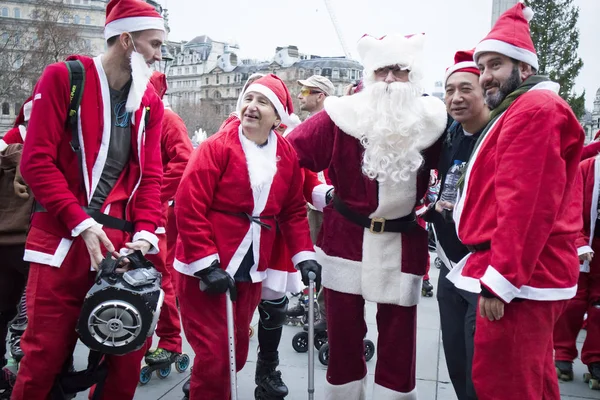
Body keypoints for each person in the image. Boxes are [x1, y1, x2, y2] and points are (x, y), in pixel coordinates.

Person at [11, 0, 166, 398]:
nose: (158, 55)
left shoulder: (149, 102)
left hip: (121, 250)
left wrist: (147, 232)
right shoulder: (64, 77)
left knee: (127, 354)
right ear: (128, 41)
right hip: (62, 242)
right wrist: (82, 223)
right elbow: (36, 162)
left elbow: (151, 177)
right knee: (43, 354)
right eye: (154, 44)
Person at [288, 33, 447, 398]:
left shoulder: (433, 121)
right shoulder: (341, 117)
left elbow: (463, 165)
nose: (389, 79)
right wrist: (315, 192)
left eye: (399, 70)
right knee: (342, 338)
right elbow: (287, 155)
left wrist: (440, 205)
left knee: (399, 341)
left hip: (403, 241)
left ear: (414, 76)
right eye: (382, 71)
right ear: (369, 75)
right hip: (345, 240)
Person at [445, 4, 584, 399]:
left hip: (519, 279)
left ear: (523, 68)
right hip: (522, 274)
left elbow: (526, 203)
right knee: (533, 381)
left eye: (495, 65)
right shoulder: (522, 109)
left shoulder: (534, 110)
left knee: (505, 385)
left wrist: (501, 281)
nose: (486, 76)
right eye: (483, 66)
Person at [174, 74, 319, 400]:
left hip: (250, 269)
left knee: (234, 353)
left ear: (278, 116)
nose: (252, 107)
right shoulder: (216, 147)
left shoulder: (286, 153)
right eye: (249, 99)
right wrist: (205, 264)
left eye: (262, 102)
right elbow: (188, 204)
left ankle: (203, 388)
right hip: (205, 271)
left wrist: (304, 256)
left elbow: (294, 210)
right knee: (215, 356)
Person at [421, 49, 490, 400]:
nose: (456, 98)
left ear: (485, 90)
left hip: (481, 273)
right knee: (458, 365)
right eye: (449, 90)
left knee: (482, 374)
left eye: (466, 88)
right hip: (448, 269)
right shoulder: (450, 134)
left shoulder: (498, 136)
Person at [144, 71, 192, 366]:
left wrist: (153, 193)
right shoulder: (130, 115)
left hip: (154, 212)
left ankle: (170, 341)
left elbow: (184, 159)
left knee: (158, 277)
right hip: (130, 212)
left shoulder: (167, 120)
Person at [553, 154, 600, 384]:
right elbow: (570, 209)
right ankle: (563, 353)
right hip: (582, 243)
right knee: (574, 302)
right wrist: (580, 243)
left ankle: (596, 358)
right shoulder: (585, 168)